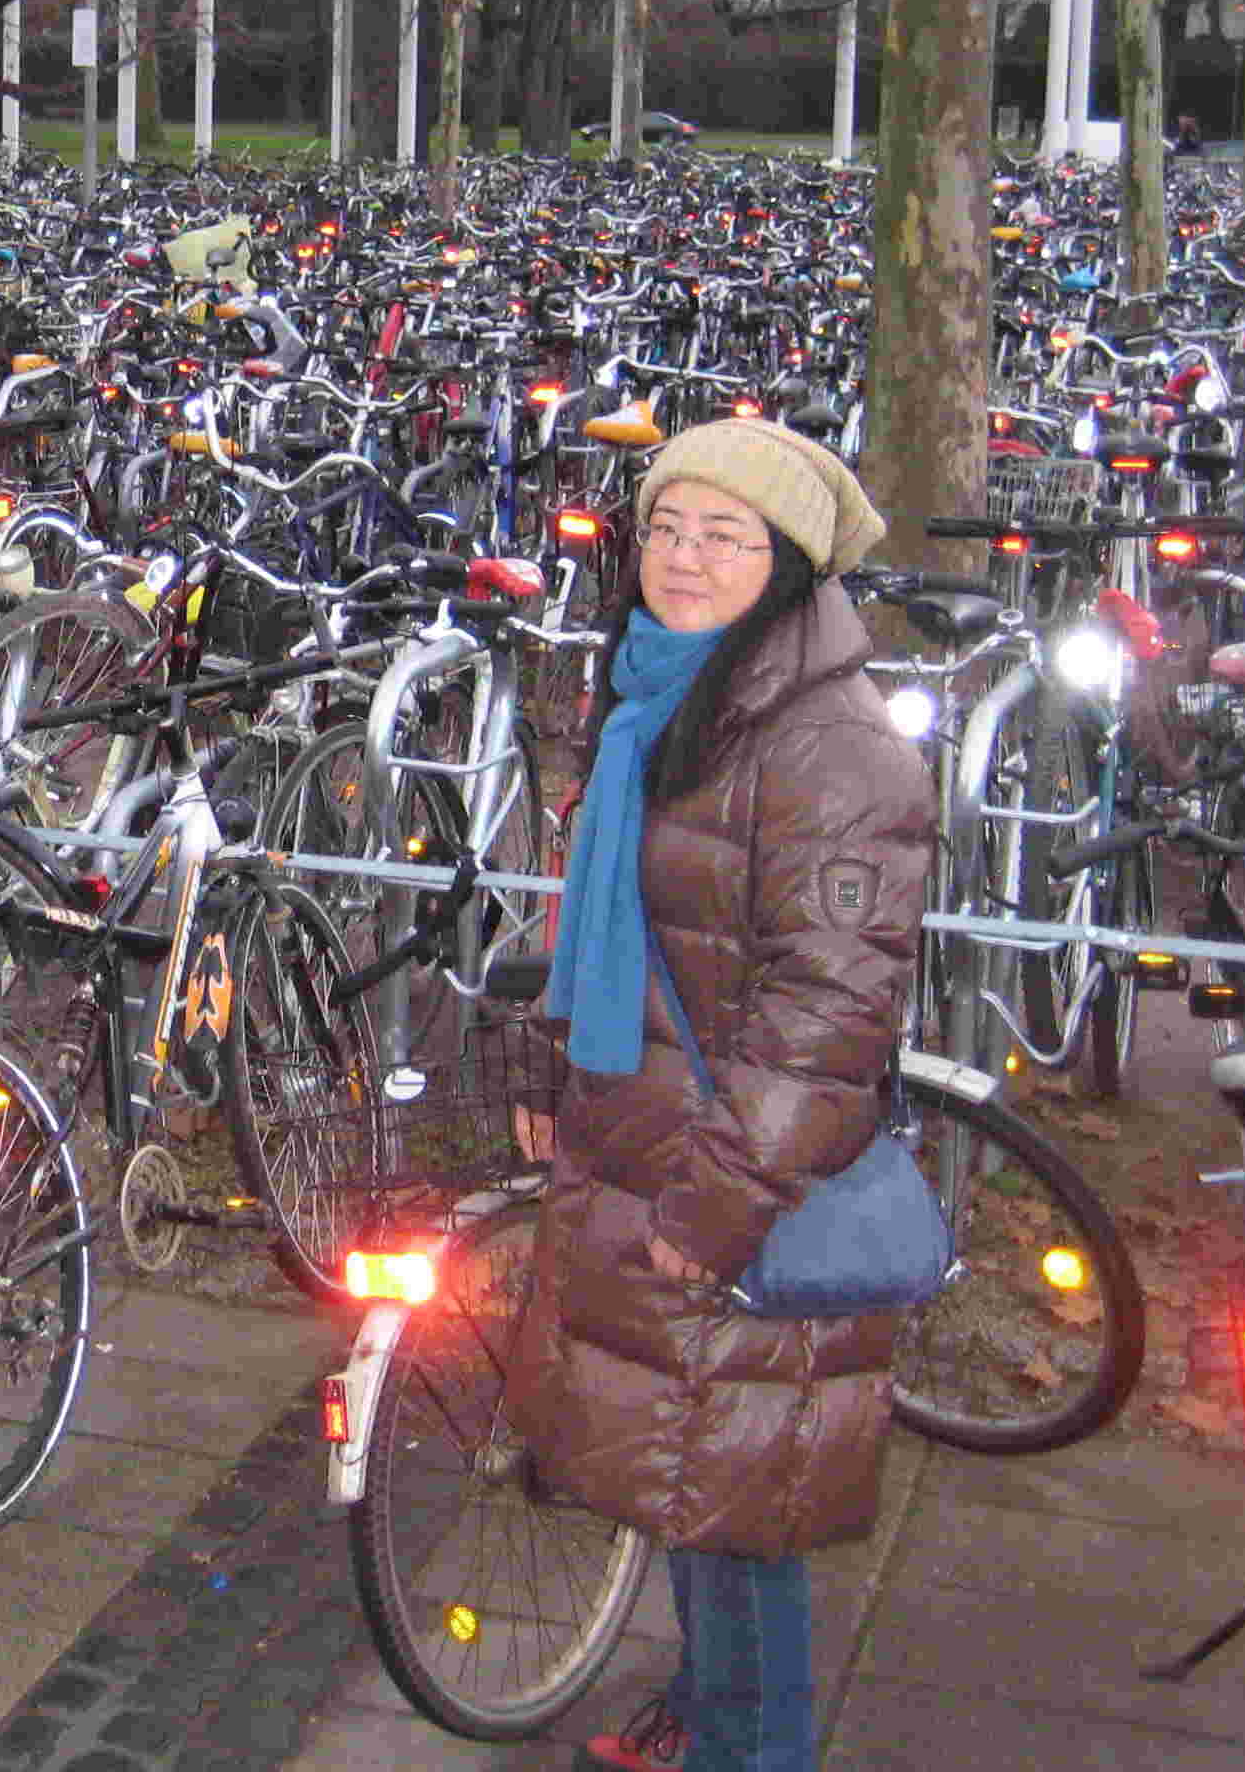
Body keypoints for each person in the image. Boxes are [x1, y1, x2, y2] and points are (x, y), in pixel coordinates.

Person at [512, 418, 933, 1772]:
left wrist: (719, 1202)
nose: (684, 559)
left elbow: (827, 1019)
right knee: (687, 1468)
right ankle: (706, 1717)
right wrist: (551, 1067)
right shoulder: (662, 695)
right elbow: (598, 914)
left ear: (793, 563)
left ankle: (756, 1750)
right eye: (666, 527)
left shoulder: (830, 749)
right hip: (645, 1139)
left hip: (722, 1173)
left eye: (725, 535)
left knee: (742, 1502)